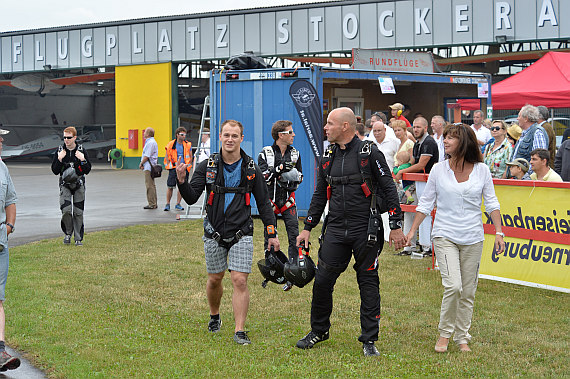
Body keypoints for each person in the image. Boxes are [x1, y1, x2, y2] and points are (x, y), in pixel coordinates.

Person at [295, 107, 406, 357]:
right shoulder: (329, 154)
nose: (325, 128)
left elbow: (388, 188)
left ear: (345, 126)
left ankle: (369, 339)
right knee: (322, 281)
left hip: (365, 227)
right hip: (335, 227)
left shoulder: (369, 153)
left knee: (367, 282)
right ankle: (319, 330)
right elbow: (320, 192)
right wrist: (308, 227)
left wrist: (396, 226)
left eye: (330, 123)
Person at [176, 119, 280, 345]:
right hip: (214, 231)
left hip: (242, 232)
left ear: (241, 138)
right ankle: (214, 315)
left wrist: (271, 233)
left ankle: (239, 330)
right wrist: (182, 181)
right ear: (220, 137)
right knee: (215, 279)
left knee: (239, 280)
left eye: (235, 136)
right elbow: (193, 196)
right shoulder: (208, 165)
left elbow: (264, 204)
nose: (230, 139)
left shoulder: (251, 168)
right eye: (226, 135)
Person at [405, 123, 505, 353]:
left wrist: (499, 231)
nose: (446, 141)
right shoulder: (439, 170)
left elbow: (492, 203)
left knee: (468, 290)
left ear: (465, 142)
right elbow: (426, 202)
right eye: (446, 137)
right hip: (444, 234)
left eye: (452, 138)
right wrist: (412, 232)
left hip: (473, 236)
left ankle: (462, 336)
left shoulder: (482, 170)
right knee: (454, 286)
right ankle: (444, 333)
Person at [258, 120, 303, 289]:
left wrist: (290, 179)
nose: (293, 135)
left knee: (294, 236)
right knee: (269, 237)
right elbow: (262, 177)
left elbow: (300, 177)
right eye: (290, 132)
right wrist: (279, 169)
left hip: (288, 202)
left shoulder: (296, 153)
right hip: (270, 203)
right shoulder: (266, 153)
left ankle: (292, 272)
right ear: (280, 135)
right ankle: (271, 271)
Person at [394, 117, 439, 257]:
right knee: (409, 212)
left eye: (419, 127)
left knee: (424, 212)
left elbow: (421, 165)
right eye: (414, 127)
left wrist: (402, 171)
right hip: (415, 181)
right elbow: (413, 162)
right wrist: (402, 168)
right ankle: (409, 246)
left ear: (426, 128)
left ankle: (427, 247)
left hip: (427, 182)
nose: (416, 129)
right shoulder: (418, 143)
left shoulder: (429, 142)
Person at [0, 128, 20, 372]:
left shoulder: (2, 167)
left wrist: (9, 226)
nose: (2, 140)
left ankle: (0, 351)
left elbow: (11, 200)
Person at [51, 126, 92, 246]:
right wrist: (59, 159)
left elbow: (87, 170)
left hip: (79, 185)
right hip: (65, 185)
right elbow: (54, 170)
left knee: (78, 213)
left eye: (69, 138)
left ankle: (78, 238)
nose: (66, 140)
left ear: (75, 137)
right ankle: (68, 233)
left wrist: (82, 159)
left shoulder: (81, 150)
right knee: (66, 211)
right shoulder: (59, 151)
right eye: (64, 137)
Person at [510, 105, 548, 175]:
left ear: (526, 119)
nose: (517, 119)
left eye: (519, 116)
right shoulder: (524, 133)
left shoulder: (537, 132)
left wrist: (527, 176)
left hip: (527, 180)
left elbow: (539, 160)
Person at [163, 127, 192, 211]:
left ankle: (178, 203)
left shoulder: (187, 144)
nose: (184, 136)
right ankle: (167, 204)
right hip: (174, 168)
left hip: (184, 168)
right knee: (170, 186)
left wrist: (187, 166)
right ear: (177, 135)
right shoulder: (170, 144)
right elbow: (167, 156)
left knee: (182, 187)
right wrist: (169, 166)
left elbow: (190, 157)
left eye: (185, 135)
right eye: (182, 134)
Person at [139, 127, 158, 209]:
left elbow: (147, 156)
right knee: (152, 185)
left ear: (148, 134)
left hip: (148, 167)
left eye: (145, 132)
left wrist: (141, 163)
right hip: (151, 166)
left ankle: (152, 203)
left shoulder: (150, 143)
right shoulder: (151, 142)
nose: (143, 134)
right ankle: (154, 202)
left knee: (149, 185)